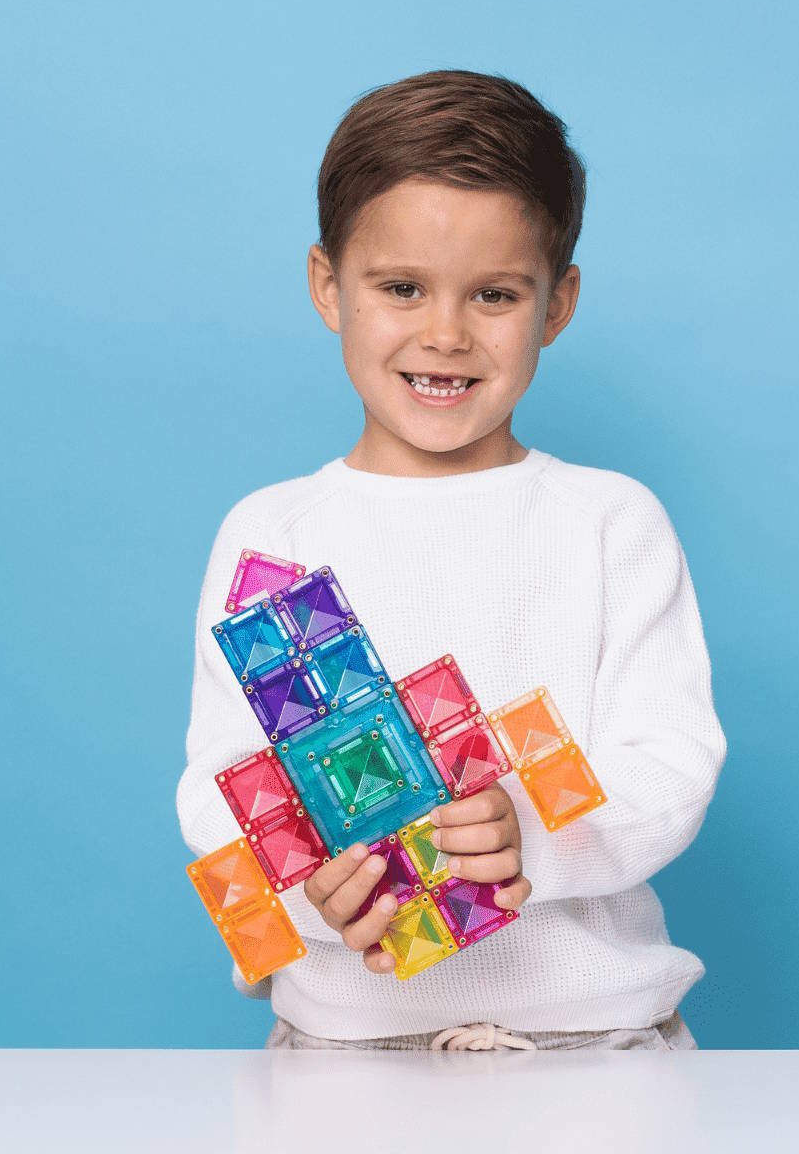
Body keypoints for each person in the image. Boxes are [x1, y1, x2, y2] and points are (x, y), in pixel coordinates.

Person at [177, 68, 727, 1052]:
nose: (445, 333)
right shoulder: (273, 536)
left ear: (556, 305)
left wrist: (532, 825)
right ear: (326, 286)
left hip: (596, 1046)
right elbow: (220, 789)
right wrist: (306, 897)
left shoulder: (611, 523)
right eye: (401, 288)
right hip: (345, 1055)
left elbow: (672, 761)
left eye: (495, 294)